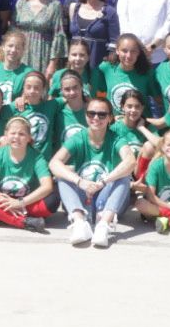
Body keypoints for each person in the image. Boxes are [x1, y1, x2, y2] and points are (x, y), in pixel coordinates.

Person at [48, 95, 135, 248]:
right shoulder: (78, 138)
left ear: (110, 118)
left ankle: (104, 225)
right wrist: (80, 181)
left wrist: (103, 182)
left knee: (124, 176)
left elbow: (130, 161)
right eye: (91, 113)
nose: (96, 118)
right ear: (86, 115)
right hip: (84, 196)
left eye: (102, 114)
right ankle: (79, 223)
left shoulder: (116, 139)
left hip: (107, 200)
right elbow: (54, 163)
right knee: (63, 175)